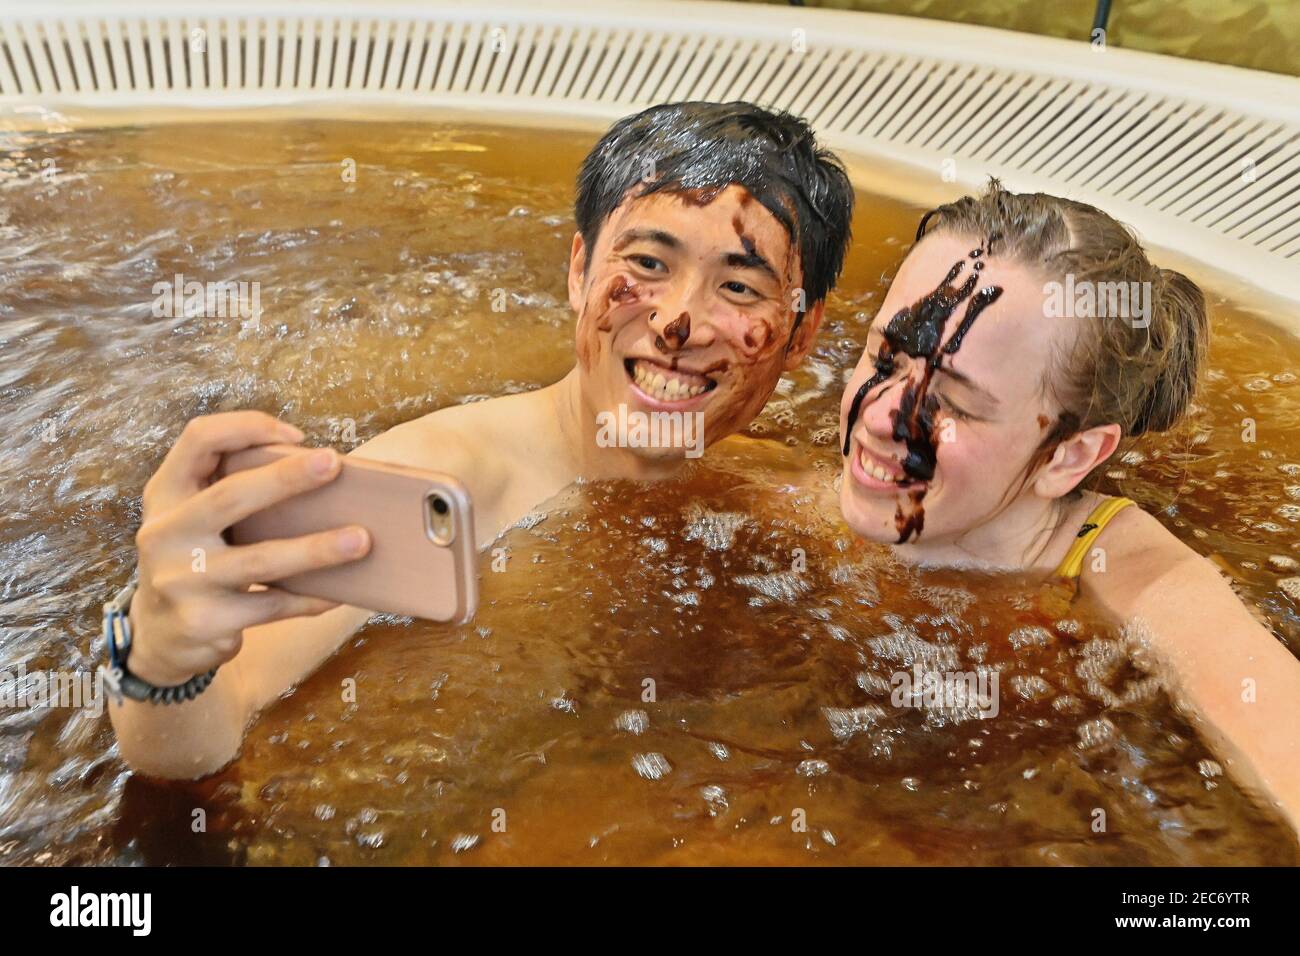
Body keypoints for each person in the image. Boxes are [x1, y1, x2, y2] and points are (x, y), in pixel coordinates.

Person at [107, 101, 854, 779]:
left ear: (802, 335)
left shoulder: (765, 488)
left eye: (738, 287)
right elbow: (206, 734)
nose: (675, 323)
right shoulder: (441, 484)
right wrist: (163, 660)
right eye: (648, 265)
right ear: (578, 269)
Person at [837, 180, 1300, 832]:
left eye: (957, 404)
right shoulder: (813, 503)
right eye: (886, 357)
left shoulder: (1137, 584)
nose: (883, 419)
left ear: (1068, 457)